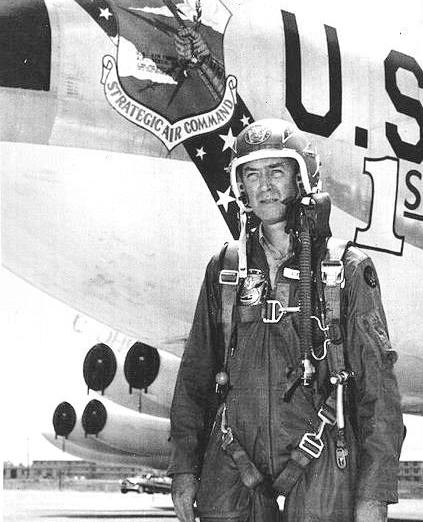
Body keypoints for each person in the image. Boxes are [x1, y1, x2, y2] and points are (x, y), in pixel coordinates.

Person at [168, 119, 403, 522]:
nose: (264, 185)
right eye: (252, 174)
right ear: (240, 185)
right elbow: (195, 376)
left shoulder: (344, 270)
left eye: (276, 171)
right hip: (233, 451)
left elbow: (378, 392)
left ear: (301, 177)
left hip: (322, 449)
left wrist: (374, 494)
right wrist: (184, 468)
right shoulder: (226, 270)